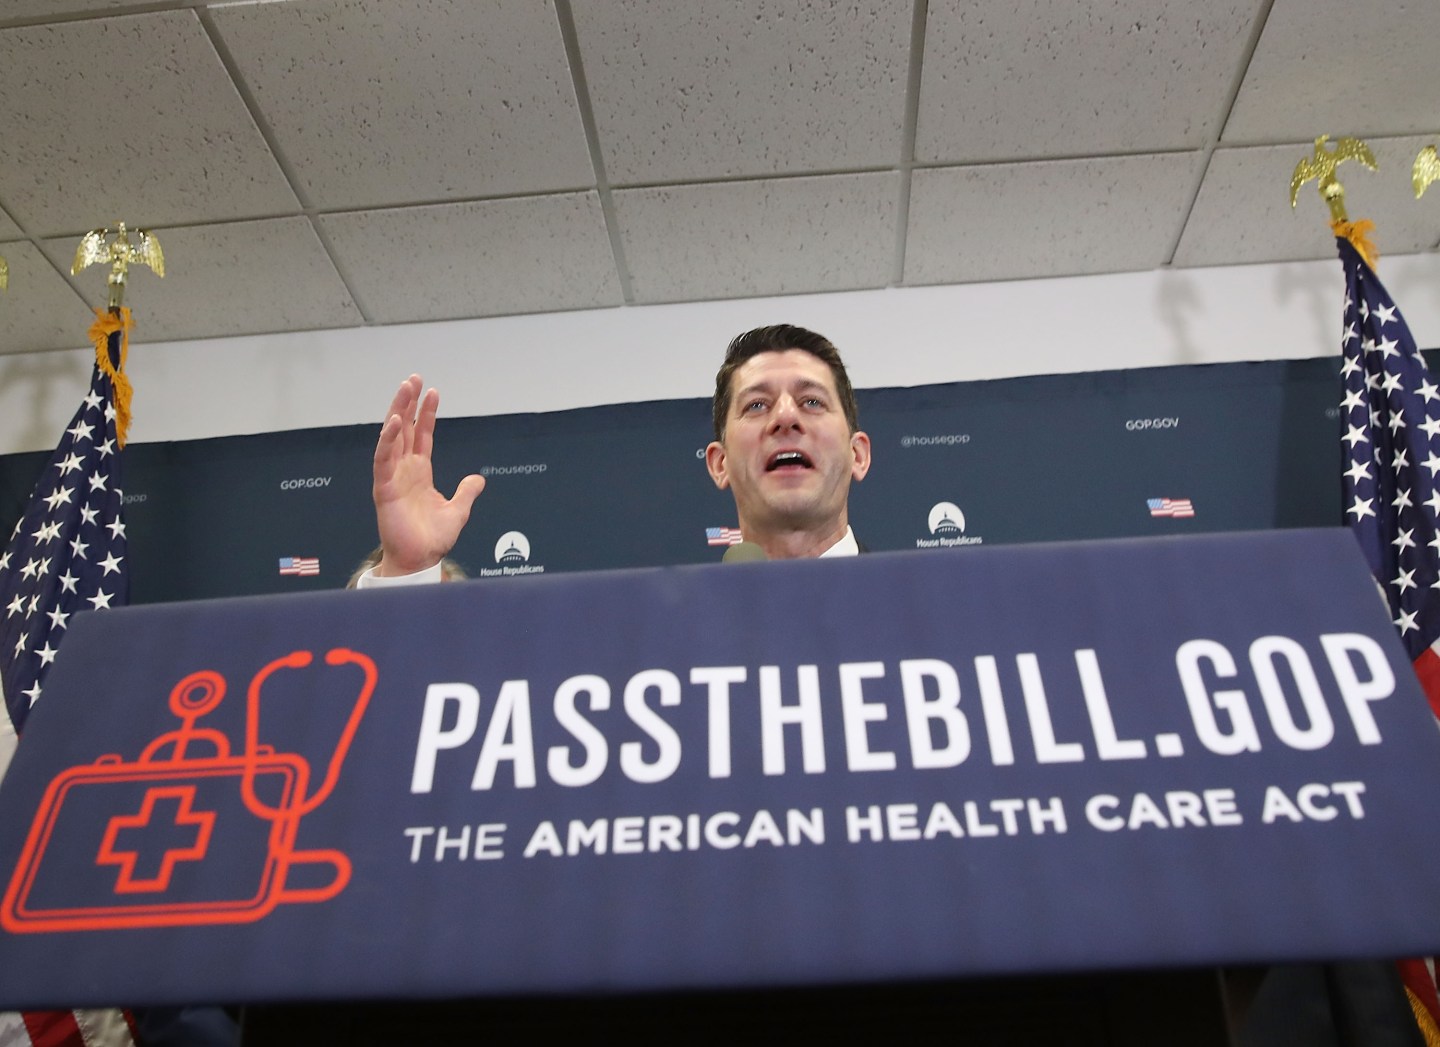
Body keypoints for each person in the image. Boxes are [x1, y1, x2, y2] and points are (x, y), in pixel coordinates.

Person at [354, 324, 870, 585]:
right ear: (718, 463)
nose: (786, 417)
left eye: (811, 401)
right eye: (756, 405)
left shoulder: (943, 615)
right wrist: (408, 569)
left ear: (858, 454)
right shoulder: (650, 644)